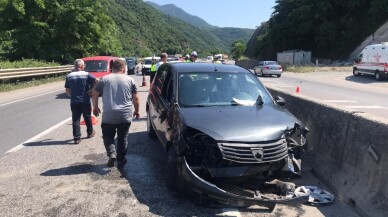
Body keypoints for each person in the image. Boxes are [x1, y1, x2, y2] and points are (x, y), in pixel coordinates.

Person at [91, 59, 140, 171]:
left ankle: (112, 153)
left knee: (108, 136)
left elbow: (94, 92)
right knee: (123, 138)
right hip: (125, 115)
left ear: (112, 67)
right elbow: (136, 98)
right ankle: (121, 160)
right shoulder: (130, 80)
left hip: (109, 115)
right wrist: (137, 111)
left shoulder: (104, 79)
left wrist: (95, 107)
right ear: (123, 68)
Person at [65, 59, 97, 144]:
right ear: (82, 66)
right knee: (87, 117)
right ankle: (90, 132)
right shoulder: (87, 74)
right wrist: (92, 89)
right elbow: (98, 81)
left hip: (74, 101)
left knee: (75, 119)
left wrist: (72, 96)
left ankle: (77, 138)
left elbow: (67, 90)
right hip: (85, 100)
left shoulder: (69, 76)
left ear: (74, 66)